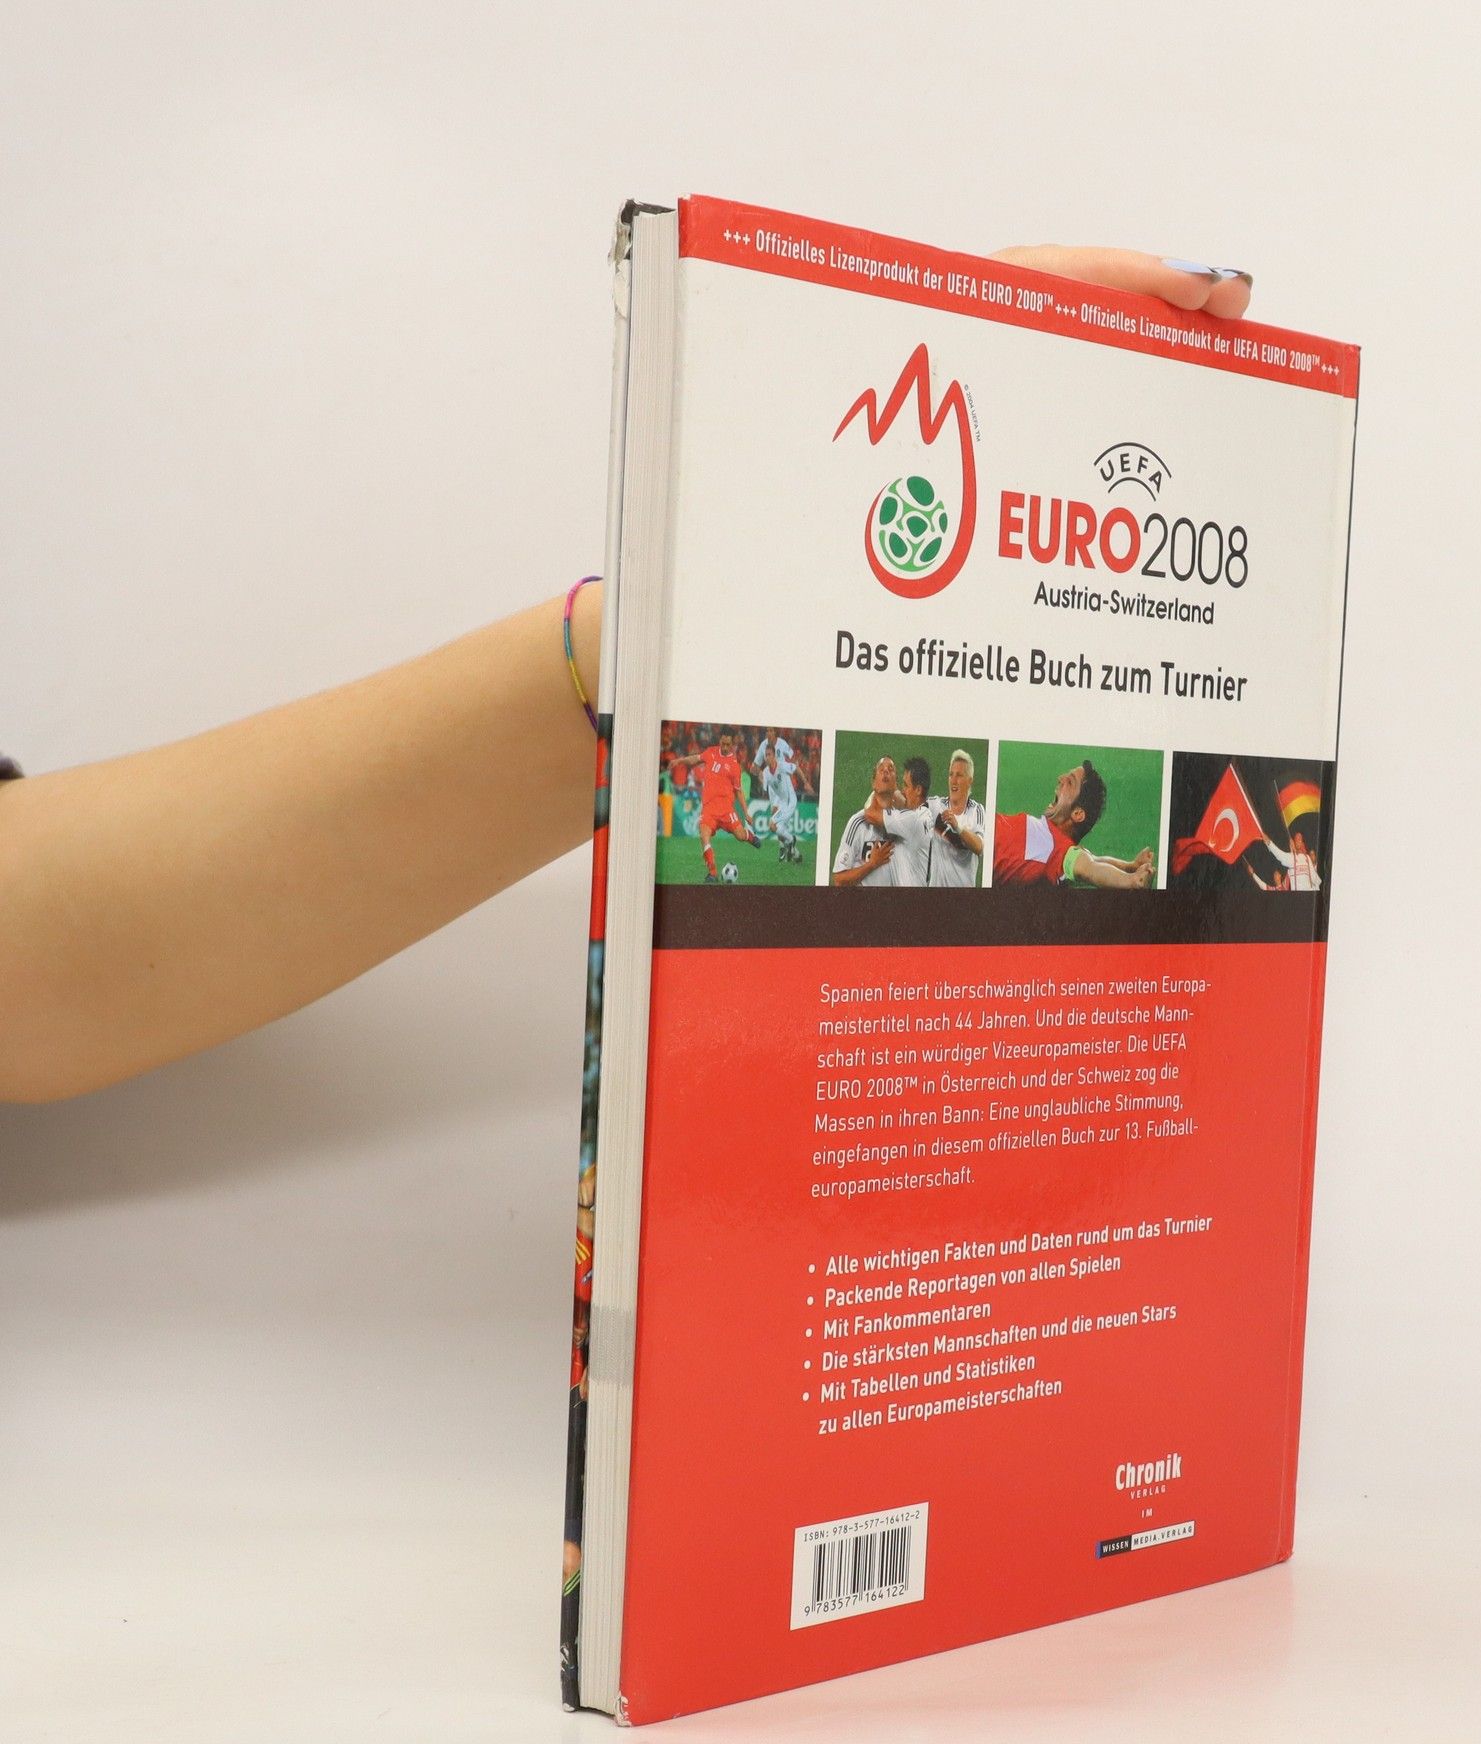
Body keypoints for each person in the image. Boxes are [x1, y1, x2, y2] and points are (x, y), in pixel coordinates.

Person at [0, 249, 1251, 1103]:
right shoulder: (967, 828)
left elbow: (47, 948)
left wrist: (684, 624)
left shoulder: (1011, 836)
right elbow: (50, 960)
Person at [992, 759, 1156, 889]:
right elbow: (1096, 860)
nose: (1060, 778)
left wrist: (1131, 881)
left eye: (1070, 782)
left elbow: (1090, 869)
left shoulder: (1060, 852)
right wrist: (1130, 866)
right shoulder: (1058, 845)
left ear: (1077, 814)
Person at [666, 727, 760, 882]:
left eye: (728, 744)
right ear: (720, 740)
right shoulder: (710, 752)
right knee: (704, 836)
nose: (725, 747)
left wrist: (746, 813)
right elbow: (695, 759)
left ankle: (749, 836)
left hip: (726, 810)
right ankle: (713, 873)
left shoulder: (734, 766)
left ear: (732, 744)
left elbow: (738, 791)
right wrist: (679, 760)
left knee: (740, 836)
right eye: (723, 743)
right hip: (709, 809)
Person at [865, 755, 937, 887]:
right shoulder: (924, 813)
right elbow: (902, 801)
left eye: (906, 785)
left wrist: (878, 787)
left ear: (918, 790)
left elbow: (870, 815)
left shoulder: (912, 820)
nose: (903, 790)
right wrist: (891, 788)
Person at [830, 754, 900, 888]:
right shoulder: (858, 823)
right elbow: (839, 879)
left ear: (896, 783)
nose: (886, 771)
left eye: (891, 769)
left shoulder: (904, 823)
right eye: (881, 769)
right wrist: (871, 864)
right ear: (873, 783)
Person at [753, 728, 814, 865]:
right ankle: (795, 853)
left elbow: (796, 768)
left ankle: (791, 840)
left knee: (773, 824)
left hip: (790, 801)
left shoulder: (782, 766)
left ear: (774, 755)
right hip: (781, 802)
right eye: (766, 755)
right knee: (777, 829)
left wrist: (805, 783)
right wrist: (760, 777)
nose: (767, 757)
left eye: (769, 755)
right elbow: (764, 788)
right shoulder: (766, 772)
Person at [928, 749, 987, 888]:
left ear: (969, 781)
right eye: (951, 775)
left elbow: (979, 847)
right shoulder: (936, 806)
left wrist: (957, 826)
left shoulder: (976, 810)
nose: (953, 781)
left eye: (959, 775)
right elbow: (910, 803)